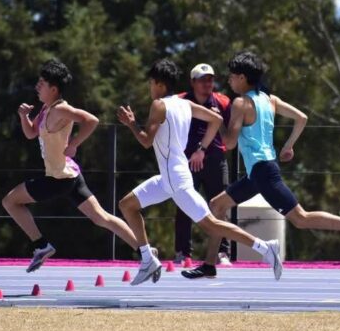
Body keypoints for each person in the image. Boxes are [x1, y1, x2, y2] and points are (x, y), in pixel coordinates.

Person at [183, 51, 340, 279]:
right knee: (217, 205)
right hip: (258, 172)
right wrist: (288, 147)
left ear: (242, 78)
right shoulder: (271, 100)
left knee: (301, 219)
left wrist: (218, 121)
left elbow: (229, 143)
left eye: (232, 76)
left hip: (263, 173)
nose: (229, 80)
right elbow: (302, 118)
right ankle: (210, 264)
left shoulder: (241, 103)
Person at [117, 59, 283, 284]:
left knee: (211, 225)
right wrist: (202, 148)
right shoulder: (184, 104)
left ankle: (266, 248)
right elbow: (215, 119)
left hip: (176, 180)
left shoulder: (159, 105)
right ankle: (148, 259)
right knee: (127, 205)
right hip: (169, 178)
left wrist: (131, 123)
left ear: (158, 84)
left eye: (150, 83)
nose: (150, 88)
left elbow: (146, 141)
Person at [2, 59, 148, 282]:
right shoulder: (46, 108)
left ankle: (41, 245)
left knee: (10, 201)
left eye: (42, 83)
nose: (37, 86)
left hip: (58, 178)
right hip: (69, 175)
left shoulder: (61, 108)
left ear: (54, 89)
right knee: (102, 218)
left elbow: (91, 120)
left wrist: (74, 144)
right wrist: (24, 117)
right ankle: (146, 253)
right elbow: (31, 133)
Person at [174, 63, 233, 265]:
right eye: (202, 79)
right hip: (187, 160)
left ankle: (222, 252)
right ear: (192, 82)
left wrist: (206, 149)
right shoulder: (181, 101)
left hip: (215, 160)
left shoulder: (223, 102)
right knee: (184, 205)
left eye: (210, 79)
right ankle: (183, 253)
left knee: (220, 205)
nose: (208, 83)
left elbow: (228, 133)